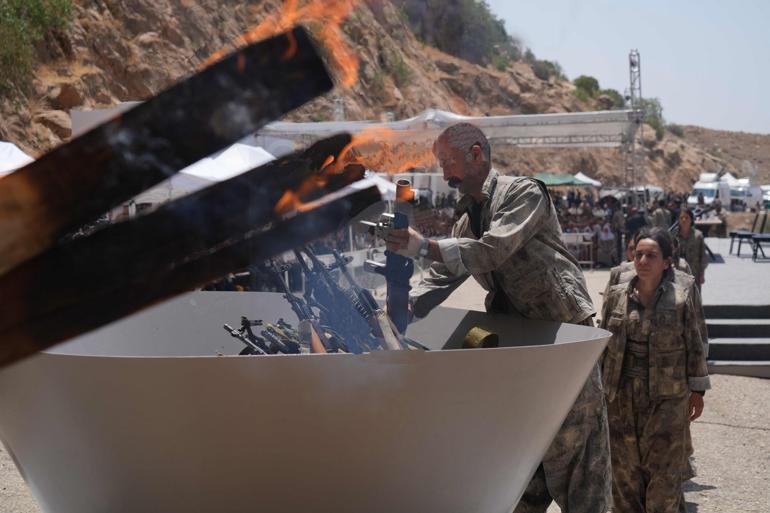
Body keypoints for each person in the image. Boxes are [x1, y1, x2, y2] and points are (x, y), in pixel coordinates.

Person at [385, 123, 611, 513]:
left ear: (477, 154)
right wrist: (405, 305)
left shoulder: (523, 193)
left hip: (563, 338)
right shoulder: (466, 220)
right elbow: (441, 277)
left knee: (577, 452)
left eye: (450, 163)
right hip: (518, 344)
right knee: (521, 454)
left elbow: (492, 251)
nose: (445, 175)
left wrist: (424, 247)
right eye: (441, 166)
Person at [600, 227, 710, 513]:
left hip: (667, 400)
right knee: (623, 476)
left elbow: (696, 344)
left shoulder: (681, 296)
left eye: (651, 255)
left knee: (664, 477)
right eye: (639, 254)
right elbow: (603, 343)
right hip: (621, 399)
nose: (643, 261)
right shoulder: (616, 294)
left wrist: (697, 390)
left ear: (666, 262)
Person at [675, 209, 708, 289]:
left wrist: (702, 274)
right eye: (681, 217)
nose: (684, 220)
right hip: (678, 274)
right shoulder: (674, 236)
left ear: (691, 220)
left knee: (695, 298)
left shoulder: (698, 236)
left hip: (694, 274)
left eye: (686, 217)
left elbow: (703, 256)